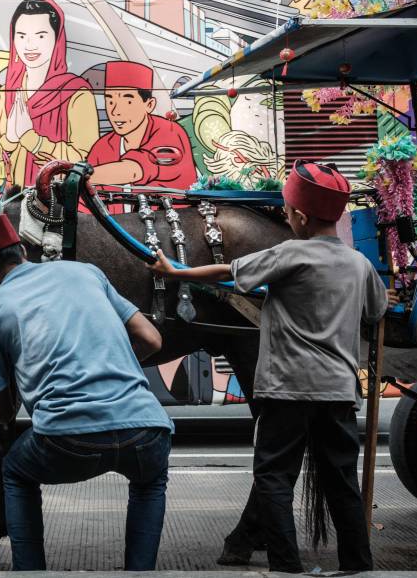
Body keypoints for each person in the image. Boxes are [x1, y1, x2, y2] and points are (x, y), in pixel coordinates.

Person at [150, 160, 397, 573]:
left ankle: (287, 567)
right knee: (342, 481)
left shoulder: (290, 255)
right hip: (337, 392)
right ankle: (357, 565)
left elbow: (228, 273)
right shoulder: (359, 265)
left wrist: (176, 270)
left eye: (286, 211)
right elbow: (376, 311)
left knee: (273, 478)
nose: (286, 216)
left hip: (286, 390)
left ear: (299, 216)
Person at [0, 214, 173, 571]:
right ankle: (140, 571)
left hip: (68, 440)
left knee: (16, 472)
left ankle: (31, 571)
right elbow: (152, 339)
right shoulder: (85, 272)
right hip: (147, 429)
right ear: (22, 250)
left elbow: (5, 413)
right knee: (149, 483)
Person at [0, 0, 98, 187]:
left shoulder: (77, 94)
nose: (29, 45)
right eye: (21, 35)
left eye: (41, 36)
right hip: (10, 200)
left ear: (57, 39)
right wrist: (10, 139)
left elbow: (84, 161)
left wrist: (30, 138)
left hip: (57, 201)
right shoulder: (5, 94)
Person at [87, 60, 197, 206]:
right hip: (115, 227)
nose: (115, 112)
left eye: (128, 101)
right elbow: (84, 204)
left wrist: (76, 176)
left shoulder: (169, 132)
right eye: (110, 101)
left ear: (149, 105)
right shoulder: (102, 148)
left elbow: (135, 169)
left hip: (173, 224)